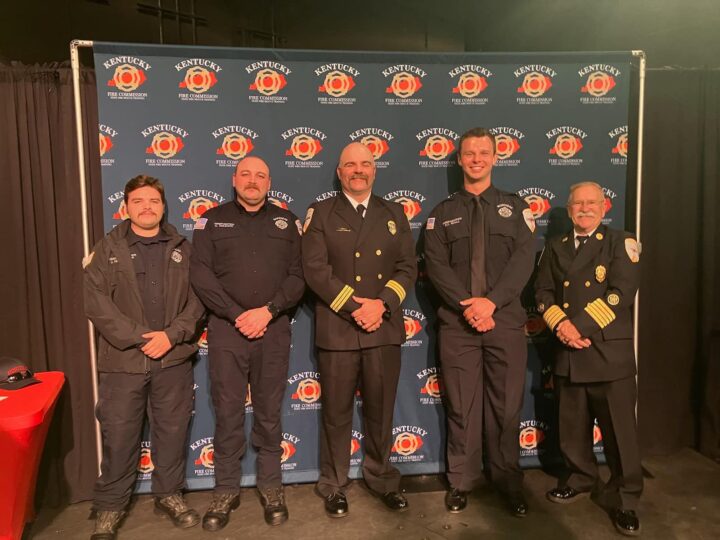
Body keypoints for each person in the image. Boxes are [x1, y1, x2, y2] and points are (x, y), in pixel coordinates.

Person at [83, 175, 205, 540]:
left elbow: (199, 301)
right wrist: (140, 339)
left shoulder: (185, 248)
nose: (147, 207)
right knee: (119, 436)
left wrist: (171, 336)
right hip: (123, 363)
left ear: (164, 206)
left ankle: (169, 495)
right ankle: (110, 506)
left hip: (173, 360)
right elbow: (96, 304)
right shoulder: (107, 249)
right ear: (125, 207)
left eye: (153, 200)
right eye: (138, 201)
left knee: (171, 433)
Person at [424, 127, 536, 517]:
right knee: (461, 407)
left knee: (506, 408)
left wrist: (491, 303)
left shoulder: (515, 208)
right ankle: (461, 481)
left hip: (504, 322)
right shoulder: (442, 213)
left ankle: (508, 482)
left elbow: (523, 262)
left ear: (494, 157)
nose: (476, 159)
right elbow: (436, 267)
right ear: (459, 159)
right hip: (458, 325)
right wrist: (468, 306)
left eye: (483, 153)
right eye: (469, 153)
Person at [302, 142, 417, 518]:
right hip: (339, 328)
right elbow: (316, 271)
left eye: (365, 164)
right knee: (336, 413)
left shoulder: (393, 212)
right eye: (350, 165)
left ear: (374, 169)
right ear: (339, 172)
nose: (358, 170)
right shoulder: (320, 212)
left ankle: (382, 477)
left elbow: (407, 268)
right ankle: (334, 484)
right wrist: (357, 306)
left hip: (382, 327)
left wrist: (381, 304)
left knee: (381, 411)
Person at [190, 156, 304, 530]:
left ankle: (272, 487)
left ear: (269, 182)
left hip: (273, 329)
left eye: (260, 175)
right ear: (234, 178)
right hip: (227, 330)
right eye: (246, 174)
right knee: (227, 411)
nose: (252, 181)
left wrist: (268, 311)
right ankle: (225, 489)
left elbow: (298, 276)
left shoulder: (287, 222)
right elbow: (201, 275)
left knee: (270, 411)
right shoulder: (210, 220)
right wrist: (238, 313)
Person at [534, 181, 642, 536]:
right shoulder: (555, 246)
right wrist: (561, 327)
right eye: (577, 204)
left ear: (604, 206)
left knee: (620, 435)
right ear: (568, 209)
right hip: (569, 350)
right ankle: (581, 477)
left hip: (607, 352)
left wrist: (578, 327)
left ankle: (626, 499)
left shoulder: (620, 243)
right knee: (571, 429)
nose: (584, 209)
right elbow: (543, 292)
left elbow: (621, 293)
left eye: (591, 203)